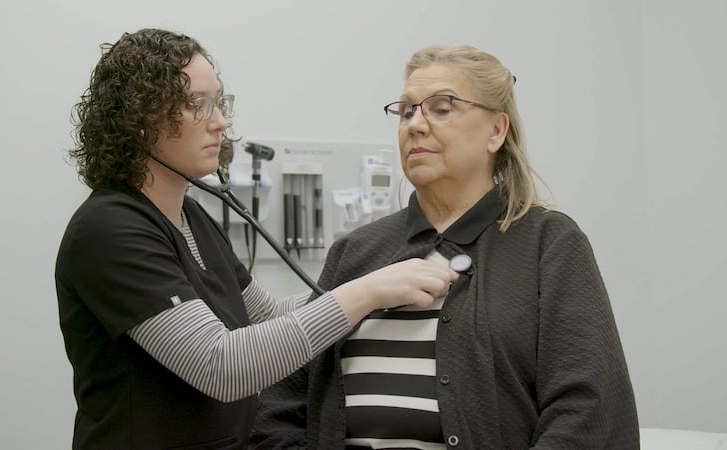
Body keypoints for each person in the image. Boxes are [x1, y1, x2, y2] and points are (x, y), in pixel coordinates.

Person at [55, 28, 457, 450]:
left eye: (221, 101)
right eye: (198, 105)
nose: (221, 121)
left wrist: (380, 277)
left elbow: (265, 317)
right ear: (139, 120)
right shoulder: (109, 229)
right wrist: (365, 292)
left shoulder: (192, 215)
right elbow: (220, 366)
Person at [251, 44, 640, 449]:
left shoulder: (548, 245)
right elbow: (280, 409)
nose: (415, 125)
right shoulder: (354, 253)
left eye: (441, 108)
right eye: (406, 111)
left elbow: (589, 413)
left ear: (496, 131)